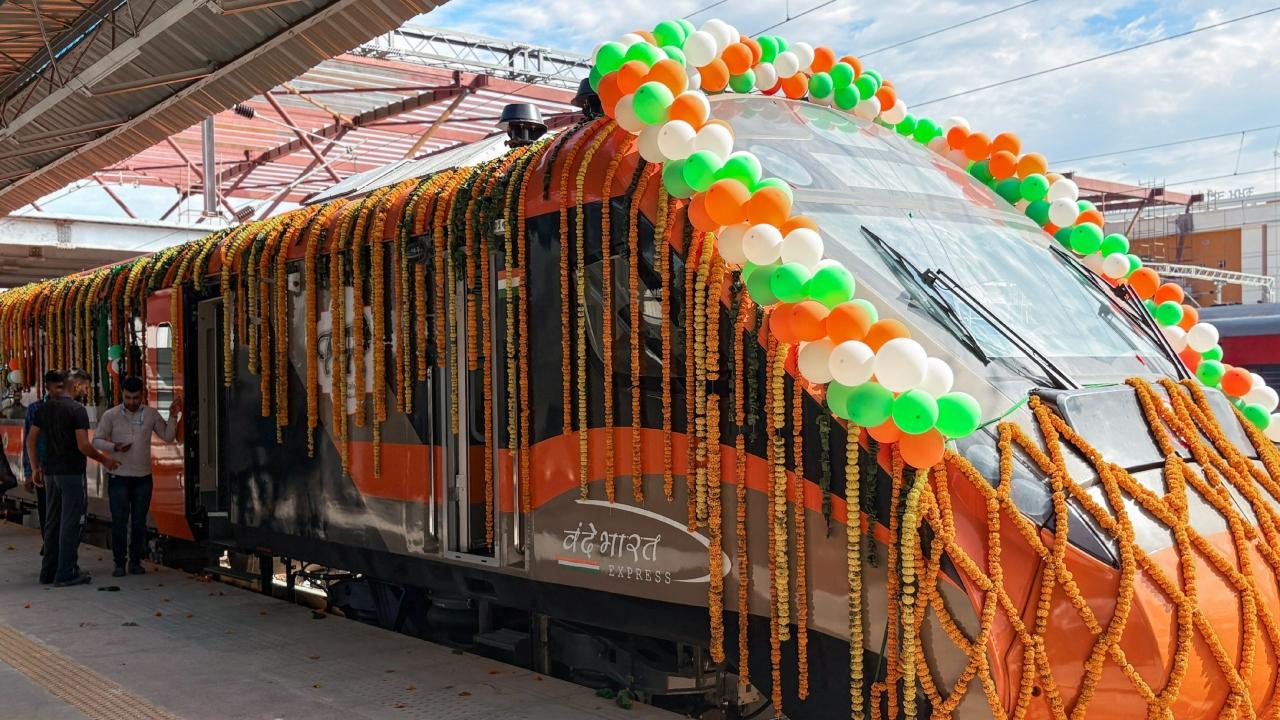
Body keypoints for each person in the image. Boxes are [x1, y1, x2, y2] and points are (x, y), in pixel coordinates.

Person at [26, 371, 119, 587]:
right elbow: (83, 445)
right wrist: (105, 460)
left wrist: (35, 467)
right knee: (71, 522)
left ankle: (48, 572)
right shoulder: (77, 410)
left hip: (50, 473)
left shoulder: (44, 408)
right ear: (76, 385)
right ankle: (66, 572)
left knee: (52, 521)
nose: (86, 391)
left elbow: (31, 440)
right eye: (85, 387)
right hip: (71, 473)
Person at [93, 377, 182, 577]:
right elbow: (97, 440)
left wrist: (173, 416)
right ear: (122, 395)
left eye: (135, 398)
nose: (131, 402)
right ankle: (119, 563)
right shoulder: (111, 415)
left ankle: (135, 562)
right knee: (119, 521)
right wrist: (114, 447)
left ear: (143, 395)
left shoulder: (151, 414)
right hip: (118, 477)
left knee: (139, 521)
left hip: (143, 477)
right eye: (128, 397)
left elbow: (168, 437)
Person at [22, 370, 66, 550]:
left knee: (65, 510)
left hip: (66, 469)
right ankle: (48, 544)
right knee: (46, 509)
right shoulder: (35, 409)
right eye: (58, 387)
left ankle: (60, 547)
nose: (61, 391)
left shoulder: (71, 407)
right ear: (47, 387)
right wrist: (29, 472)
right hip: (43, 468)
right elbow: (29, 440)